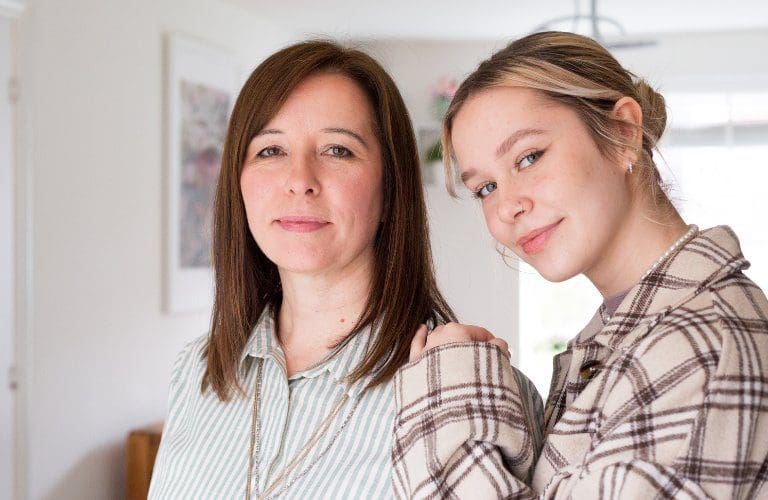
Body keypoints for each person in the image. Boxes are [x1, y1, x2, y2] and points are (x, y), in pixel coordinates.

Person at [392, 31, 768, 499]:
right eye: (485, 188)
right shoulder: (628, 335)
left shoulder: (701, 344)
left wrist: (448, 389)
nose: (508, 204)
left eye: (528, 157)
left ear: (623, 134)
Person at [148, 40, 474, 499]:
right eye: (269, 151)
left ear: (391, 186)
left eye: (337, 150)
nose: (300, 180)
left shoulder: (456, 384)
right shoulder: (196, 372)